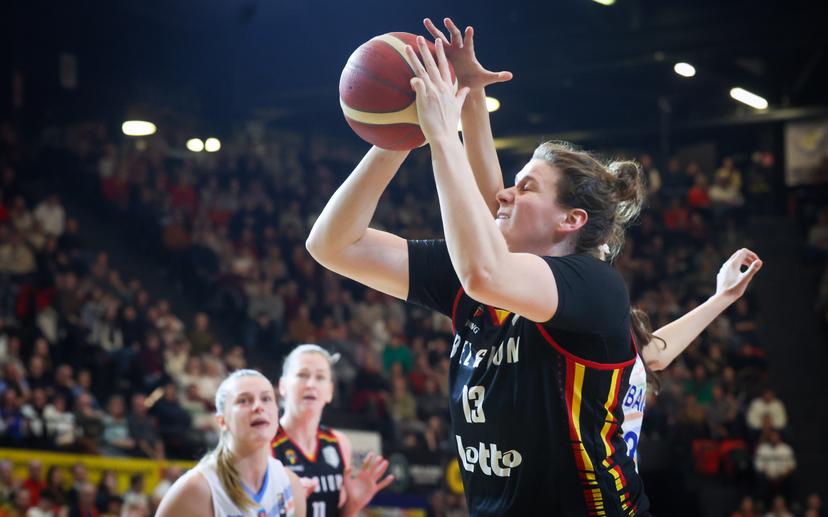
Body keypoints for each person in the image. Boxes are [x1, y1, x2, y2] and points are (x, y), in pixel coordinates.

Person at [307, 16, 650, 514]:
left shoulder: (595, 288)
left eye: (527, 187)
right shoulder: (482, 279)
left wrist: (444, 133)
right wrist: (400, 133)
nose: (507, 193)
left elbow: (484, 270)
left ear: (571, 220)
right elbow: (332, 244)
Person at [156, 369, 306, 517]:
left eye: (266, 399)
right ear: (222, 421)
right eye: (243, 400)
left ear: (277, 411)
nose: (258, 407)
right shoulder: (197, 489)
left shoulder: (290, 484)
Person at [273, 344, 394, 517]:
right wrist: (289, 506)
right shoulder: (267, 442)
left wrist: (353, 504)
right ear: (283, 386)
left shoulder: (339, 443)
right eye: (302, 375)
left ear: (330, 391)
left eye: (320, 377)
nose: (311, 384)